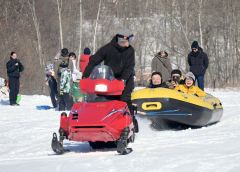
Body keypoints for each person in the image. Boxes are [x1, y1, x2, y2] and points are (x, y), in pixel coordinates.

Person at [82, 27, 138, 132]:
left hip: (125, 78)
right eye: (128, 41)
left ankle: (129, 123)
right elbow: (94, 60)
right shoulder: (108, 48)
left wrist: (123, 80)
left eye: (130, 41)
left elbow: (130, 67)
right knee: (103, 101)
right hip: (109, 78)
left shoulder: (130, 50)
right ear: (121, 40)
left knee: (124, 100)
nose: (129, 44)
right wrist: (85, 76)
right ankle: (101, 122)